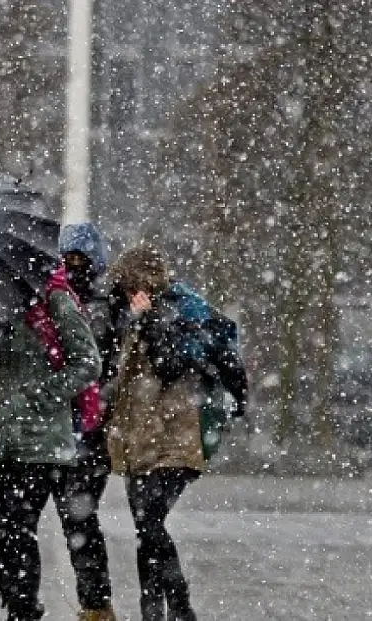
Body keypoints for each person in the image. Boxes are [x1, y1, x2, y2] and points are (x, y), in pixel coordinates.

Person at [105, 243, 247, 621]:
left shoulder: (181, 311)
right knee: (145, 528)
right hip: (138, 437)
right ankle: (152, 611)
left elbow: (172, 365)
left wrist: (149, 321)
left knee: (150, 521)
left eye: (126, 285)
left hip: (177, 437)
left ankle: (180, 608)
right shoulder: (129, 314)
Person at [0, 255, 103, 621]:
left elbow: (88, 362)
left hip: (38, 440)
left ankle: (22, 609)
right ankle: (18, 599)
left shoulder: (54, 298)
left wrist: (42, 395)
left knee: (16, 528)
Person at [55, 222, 117, 621]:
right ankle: (94, 603)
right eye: (69, 259)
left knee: (78, 517)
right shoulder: (61, 303)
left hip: (88, 428)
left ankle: (95, 603)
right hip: (70, 427)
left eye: (82, 260)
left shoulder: (100, 308)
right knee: (77, 518)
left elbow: (96, 365)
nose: (75, 266)